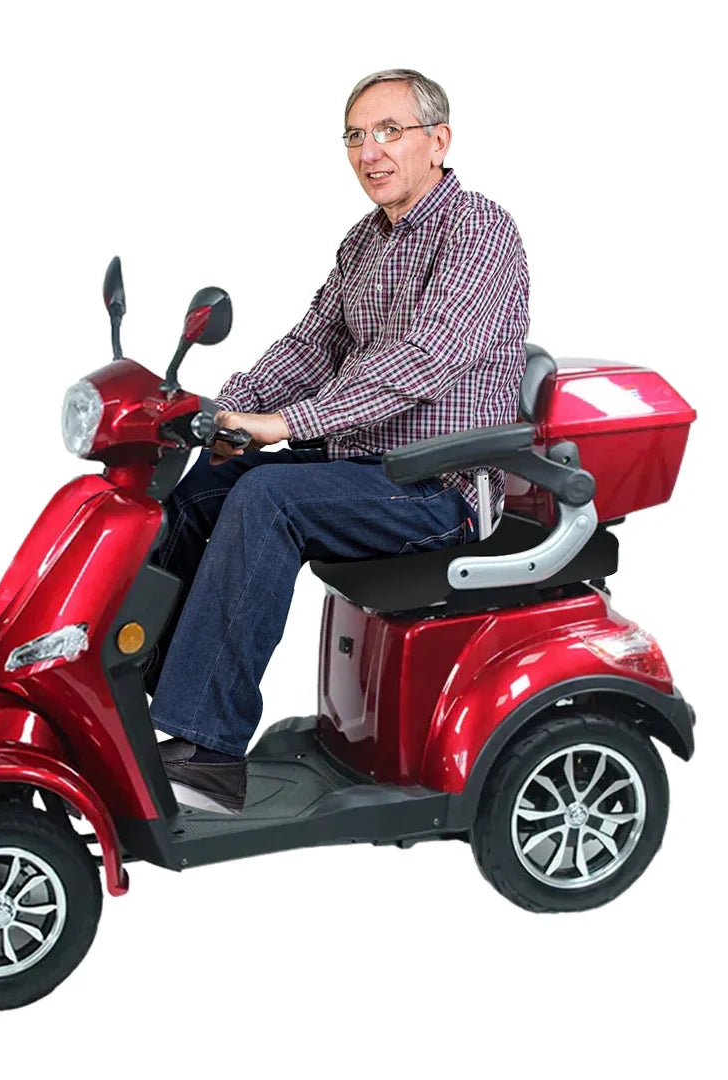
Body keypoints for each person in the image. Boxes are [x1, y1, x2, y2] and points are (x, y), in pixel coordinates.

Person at [148, 68, 530, 814]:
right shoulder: (363, 241)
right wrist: (223, 411)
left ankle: (209, 752)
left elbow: (427, 356)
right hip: (361, 466)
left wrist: (287, 426)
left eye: (390, 131)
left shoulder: (481, 231)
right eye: (356, 135)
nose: (370, 150)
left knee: (266, 498)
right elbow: (312, 345)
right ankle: (144, 694)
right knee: (206, 488)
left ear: (438, 142)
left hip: (436, 488)